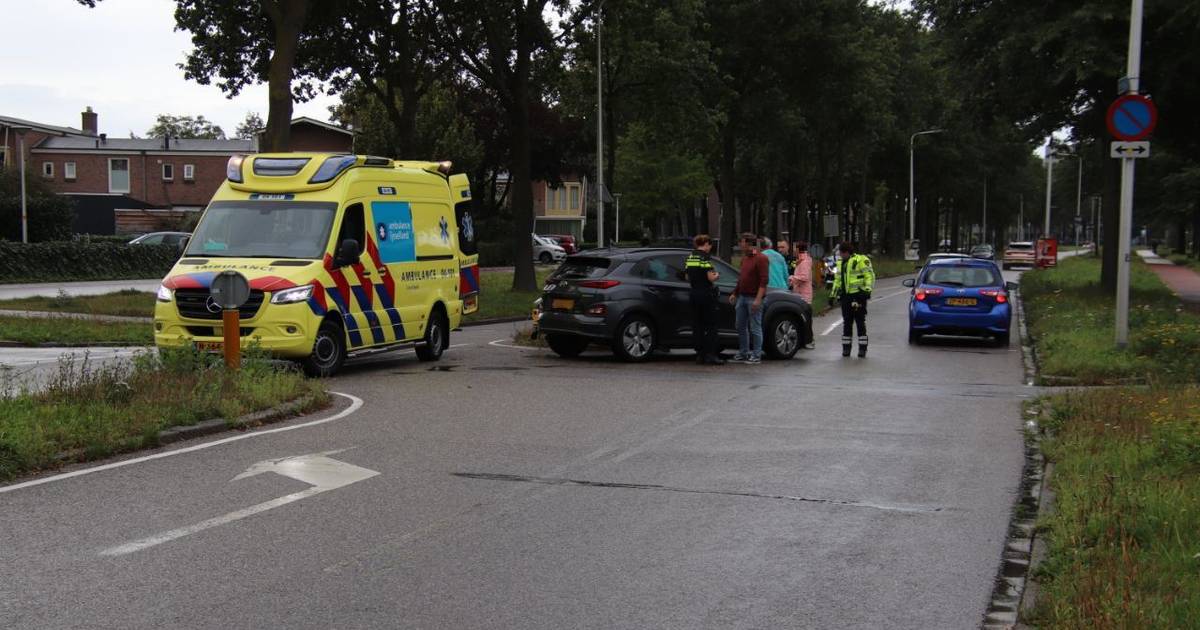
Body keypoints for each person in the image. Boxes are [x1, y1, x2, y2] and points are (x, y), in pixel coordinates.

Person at [829, 242, 875, 358]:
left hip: (858, 296)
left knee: (860, 322)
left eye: (842, 253)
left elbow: (869, 275)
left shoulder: (860, 260)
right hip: (846, 297)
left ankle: (862, 349)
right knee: (847, 323)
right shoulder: (840, 263)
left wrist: (867, 290)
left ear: (847, 252)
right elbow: (838, 280)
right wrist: (832, 295)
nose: (840, 255)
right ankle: (846, 349)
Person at [685, 235, 725, 365]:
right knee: (711, 325)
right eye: (710, 245)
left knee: (697, 325)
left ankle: (700, 354)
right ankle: (711, 355)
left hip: (694, 293)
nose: (710, 248)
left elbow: (687, 277)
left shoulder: (690, 257)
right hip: (706, 294)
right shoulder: (704, 257)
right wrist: (717, 275)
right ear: (706, 244)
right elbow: (711, 278)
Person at [730, 233, 769, 363]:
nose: (740, 245)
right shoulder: (745, 258)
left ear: (748, 243)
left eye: (741, 242)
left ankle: (756, 354)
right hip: (742, 297)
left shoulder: (761, 258)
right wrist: (735, 293)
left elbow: (764, 280)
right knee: (740, 325)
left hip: (754, 297)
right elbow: (741, 278)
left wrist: (758, 299)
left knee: (755, 327)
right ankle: (743, 352)